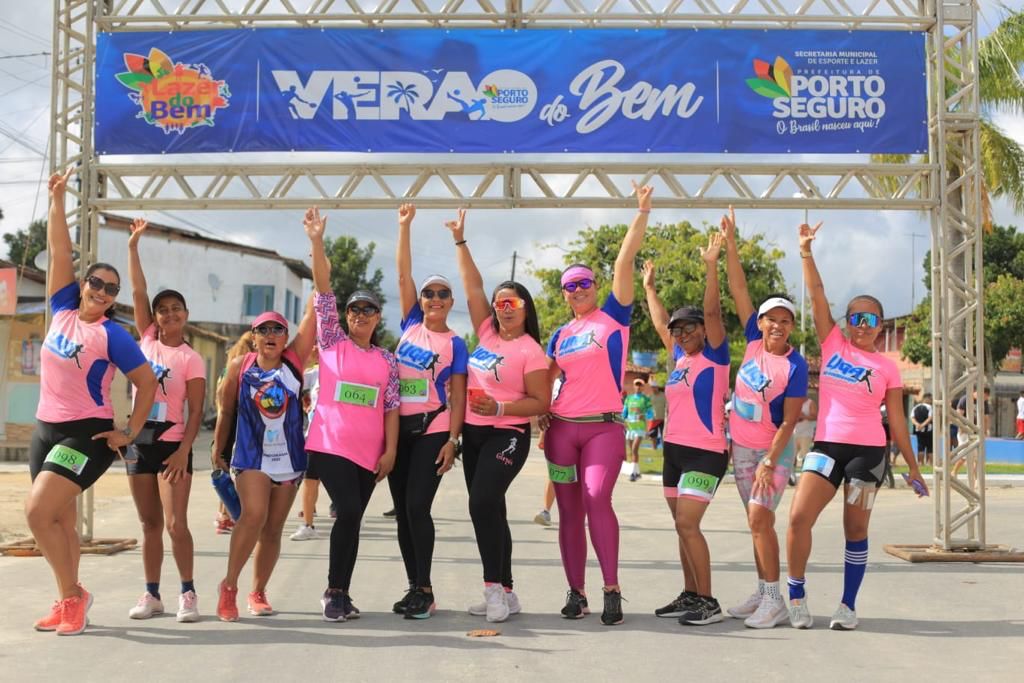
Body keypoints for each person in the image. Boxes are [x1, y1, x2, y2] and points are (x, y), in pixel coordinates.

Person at [25, 168, 157, 636]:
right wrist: (57, 200)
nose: (101, 292)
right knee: (58, 519)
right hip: (46, 429)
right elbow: (60, 251)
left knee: (37, 513)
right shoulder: (61, 308)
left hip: (88, 434)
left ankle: (73, 597)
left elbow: (148, 383)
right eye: (96, 283)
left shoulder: (112, 335)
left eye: (110, 290)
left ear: (114, 299)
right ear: (84, 284)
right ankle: (68, 599)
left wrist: (130, 432)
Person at [786, 220, 928, 631]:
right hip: (826, 447)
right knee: (798, 519)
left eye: (871, 319)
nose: (862, 325)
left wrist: (914, 467)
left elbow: (897, 420)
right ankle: (796, 594)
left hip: (868, 454)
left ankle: (847, 606)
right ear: (846, 322)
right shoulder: (832, 343)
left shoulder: (888, 368)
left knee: (855, 529)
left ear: (880, 326)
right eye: (856, 317)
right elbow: (816, 295)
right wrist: (806, 252)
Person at [542, 181, 652, 626]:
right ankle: (576, 592)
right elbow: (541, 381)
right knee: (568, 510)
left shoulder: (614, 316)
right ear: (564, 293)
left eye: (584, 282)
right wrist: (535, 416)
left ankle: (611, 589)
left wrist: (640, 213)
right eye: (570, 286)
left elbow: (625, 261)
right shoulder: (560, 334)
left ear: (596, 285)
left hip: (604, 429)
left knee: (595, 497)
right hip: (562, 433)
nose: (578, 289)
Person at [446, 208, 550, 622]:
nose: (504, 308)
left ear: (525, 308)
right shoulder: (486, 332)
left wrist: (501, 407)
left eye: (513, 302)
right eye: (499, 302)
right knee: (492, 509)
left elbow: (541, 402)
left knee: (482, 501)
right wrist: (460, 241)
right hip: (473, 432)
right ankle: (507, 591)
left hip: (508, 433)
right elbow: (472, 286)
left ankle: (492, 590)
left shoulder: (531, 351)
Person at [302, 207, 400, 622]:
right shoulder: (331, 342)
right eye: (355, 310)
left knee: (353, 519)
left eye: (369, 310)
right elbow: (323, 290)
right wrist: (317, 241)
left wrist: (390, 452)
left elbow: (391, 409)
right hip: (329, 445)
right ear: (346, 317)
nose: (360, 315)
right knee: (348, 510)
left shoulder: (387, 361)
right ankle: (334, 591)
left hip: (369, 454)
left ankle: (341, 590)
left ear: (378, 318)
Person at [718, 208, 808, 629]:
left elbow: (790, 422)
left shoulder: (796, 365)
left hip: (774, 451)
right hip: (741, 448)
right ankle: (763, 587)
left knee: (759, 518)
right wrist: (731, 243)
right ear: (761, 323)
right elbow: (738, 288)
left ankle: (776, 600)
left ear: (791, 328)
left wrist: (771, 460)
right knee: (758, 522)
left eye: (785, 320)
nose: (778, 324)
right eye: (772, 318)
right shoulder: (753, 344)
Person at [642, 236, 730, 627]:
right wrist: (648, 288)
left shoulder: (714, 354)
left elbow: (712, 310)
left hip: (705, 452)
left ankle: (708, 602)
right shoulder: (679, 357)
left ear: (702, 330)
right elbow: (660, 322)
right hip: (674, 451)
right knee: (681, 527)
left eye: (688, 328)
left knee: (688, 524)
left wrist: (712, 264)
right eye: (678, 331)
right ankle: (691, 593)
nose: (680, 334)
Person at [124, 217, 207, 622]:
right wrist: (133, 247)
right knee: (149, 524)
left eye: (176, 309)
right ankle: (151, 594)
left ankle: (188, 593)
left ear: (185, 315)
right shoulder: (145, 341)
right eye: (163, 310)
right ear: (155, 318)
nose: (169, 314)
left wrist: (184, 452)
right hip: (139, 440)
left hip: (174, 443)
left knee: (176, 523)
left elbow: (197, 412)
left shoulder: (191, 359)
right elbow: (138, 290)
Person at [213, 297, 315, 622]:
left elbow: (315, 310)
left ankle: (257, 592)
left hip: (288, 458)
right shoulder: (239, 366)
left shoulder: (294, 363)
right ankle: (229, 586)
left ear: (286, 338)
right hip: (250, 455)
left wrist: (316, 252)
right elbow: (227, 409)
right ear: (253, 335)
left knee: (273, 529)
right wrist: (217, 447)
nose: (270, 334)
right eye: (263, 329)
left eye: (278, 329)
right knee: (253, 515)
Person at [390, 203, 467, 619]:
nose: (434, 299)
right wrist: (404, 228)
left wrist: (453, 441)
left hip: (433, 429)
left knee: (418, 506)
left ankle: (425, 586)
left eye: (442, 294)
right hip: (396, 429)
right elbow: (403, 273)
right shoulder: (409, 326)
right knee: (402, 512)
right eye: (429, 293)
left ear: (451, 302)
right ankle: (415, 585)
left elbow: (458, 394)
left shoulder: (455, 343)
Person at [213, 331, 254, 535]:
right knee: (236, 474)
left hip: (223, 425)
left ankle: (223, 515)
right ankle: (230, 515)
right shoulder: (247, 370)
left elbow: (218, 401)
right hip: (240, 425)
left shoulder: (225, 370)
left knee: (224, 470)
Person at [292, 350, 323, 541]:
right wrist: (309, 359)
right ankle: (308, 524)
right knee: (310, 478)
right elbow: (294, 379)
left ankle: (352, 516)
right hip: (314, 434)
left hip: (341, 437)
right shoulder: (315, 373)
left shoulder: (346, 368)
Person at [623, 379, 653, 481]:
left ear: (643, 387)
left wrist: (643, 416)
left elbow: (650, 414)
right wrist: (623, 422)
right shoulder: (629, 398)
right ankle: (637, 471)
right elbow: (624, 412)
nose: (638, 387)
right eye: (636, 385)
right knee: (631, 451)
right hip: (630, 428)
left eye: (640, 385)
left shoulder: (645, 399)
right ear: (634, 386)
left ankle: (633, 474)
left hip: (640, 428)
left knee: (635, 449)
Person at [791, 397, 817, 484]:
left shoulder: (810, 402)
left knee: (805, 456)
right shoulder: (794, 401)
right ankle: (792, 476)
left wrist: (804, 416)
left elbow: (815, 416)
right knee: (792, 455)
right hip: (794, 433)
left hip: (806, 434)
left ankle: (804, 477)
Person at [911, 393, 933, 467]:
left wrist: (917, 425)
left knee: (920, 447)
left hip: (918, 431)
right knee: (930, 447)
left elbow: (912, 418)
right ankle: (930, 463)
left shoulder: (915, 407)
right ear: (926, 399)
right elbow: (930, 418)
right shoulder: (930, 407)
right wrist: (923, 425)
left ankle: (920, 463)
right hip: (928, 431)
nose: (931, 400)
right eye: (930, 399)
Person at [647, 381, 666, 450]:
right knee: (653, 435)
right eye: (652, 387)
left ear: (657, 387)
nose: (653, 389)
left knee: (663, 435)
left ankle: (664, 449)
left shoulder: (664, 395)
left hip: (663, 419)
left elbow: (667, 406)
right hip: (653, 419)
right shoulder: (649, 397)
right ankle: (654, 449)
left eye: (654, 387)